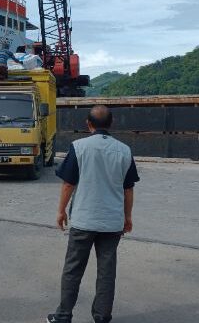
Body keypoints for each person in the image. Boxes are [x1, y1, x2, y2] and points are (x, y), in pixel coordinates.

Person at [47, 105, 139, 323]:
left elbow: (68, 184)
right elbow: (128, 189)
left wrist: (61, 211)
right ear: (111, 124)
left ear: (88, 124)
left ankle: (62, 317)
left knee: (73, 269)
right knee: (106, 272)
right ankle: (102, 317)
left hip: (83, 220)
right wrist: (127, 217)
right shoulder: (124, 150)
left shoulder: (79, 147)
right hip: (111, 222)